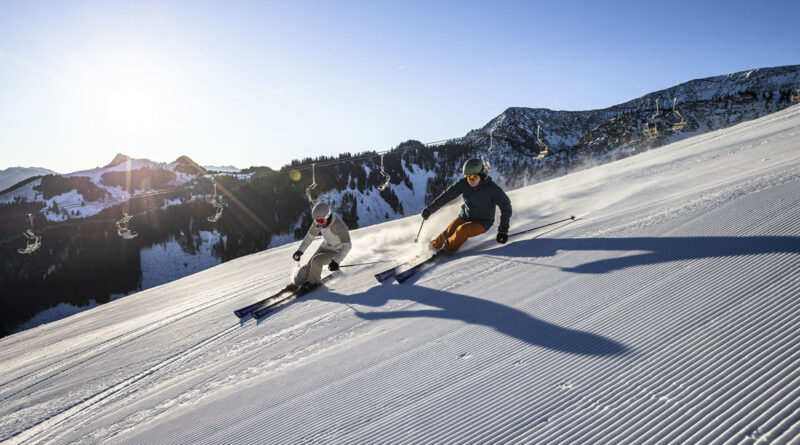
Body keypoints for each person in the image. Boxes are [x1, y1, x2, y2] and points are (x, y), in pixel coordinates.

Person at [421, 158, 512, 254]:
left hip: (483, 222)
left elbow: (506, 207)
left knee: (462, 230)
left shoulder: (492, 189)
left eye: (473, 177)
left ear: (480, 174)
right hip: (466, 216)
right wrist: (429, 210)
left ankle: (446, 251)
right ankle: (431, 248)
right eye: (467, 177)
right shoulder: (463, 184)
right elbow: (446, 196)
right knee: (448, 232)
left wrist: (503, 230)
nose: (470, 180)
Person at [287, 202, 352, 292]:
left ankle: (313, 282)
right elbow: (310, 236)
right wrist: (300, 251)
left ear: (328, 216)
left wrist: (336, 261)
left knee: (317, 261)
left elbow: (347, 245)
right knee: (308, 266)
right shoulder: (318, 222)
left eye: (321, 221)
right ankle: (297, 283)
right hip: (325, 246)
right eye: (316, 221)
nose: (319, 224)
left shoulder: (339, 226)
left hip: (336, 251)